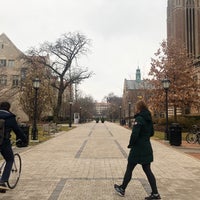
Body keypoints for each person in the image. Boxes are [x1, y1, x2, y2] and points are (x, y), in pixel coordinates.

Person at [114, 100, 161, 200]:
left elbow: (134, 134)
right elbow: (152, 133)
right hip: (147, 146)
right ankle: (155, 193)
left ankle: (122, 188)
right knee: (148, 170)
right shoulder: (148, 118)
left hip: (138, 148)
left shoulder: (139, 119)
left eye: (136, 107)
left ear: (139, 108)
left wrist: (131, 144)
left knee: (130, 167)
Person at [0, 101, 27, 193]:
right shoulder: (10, 118)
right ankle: (2, 181)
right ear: (8, 108)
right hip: (4, 142)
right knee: (9, 159)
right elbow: (18, 131)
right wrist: (24, 139)